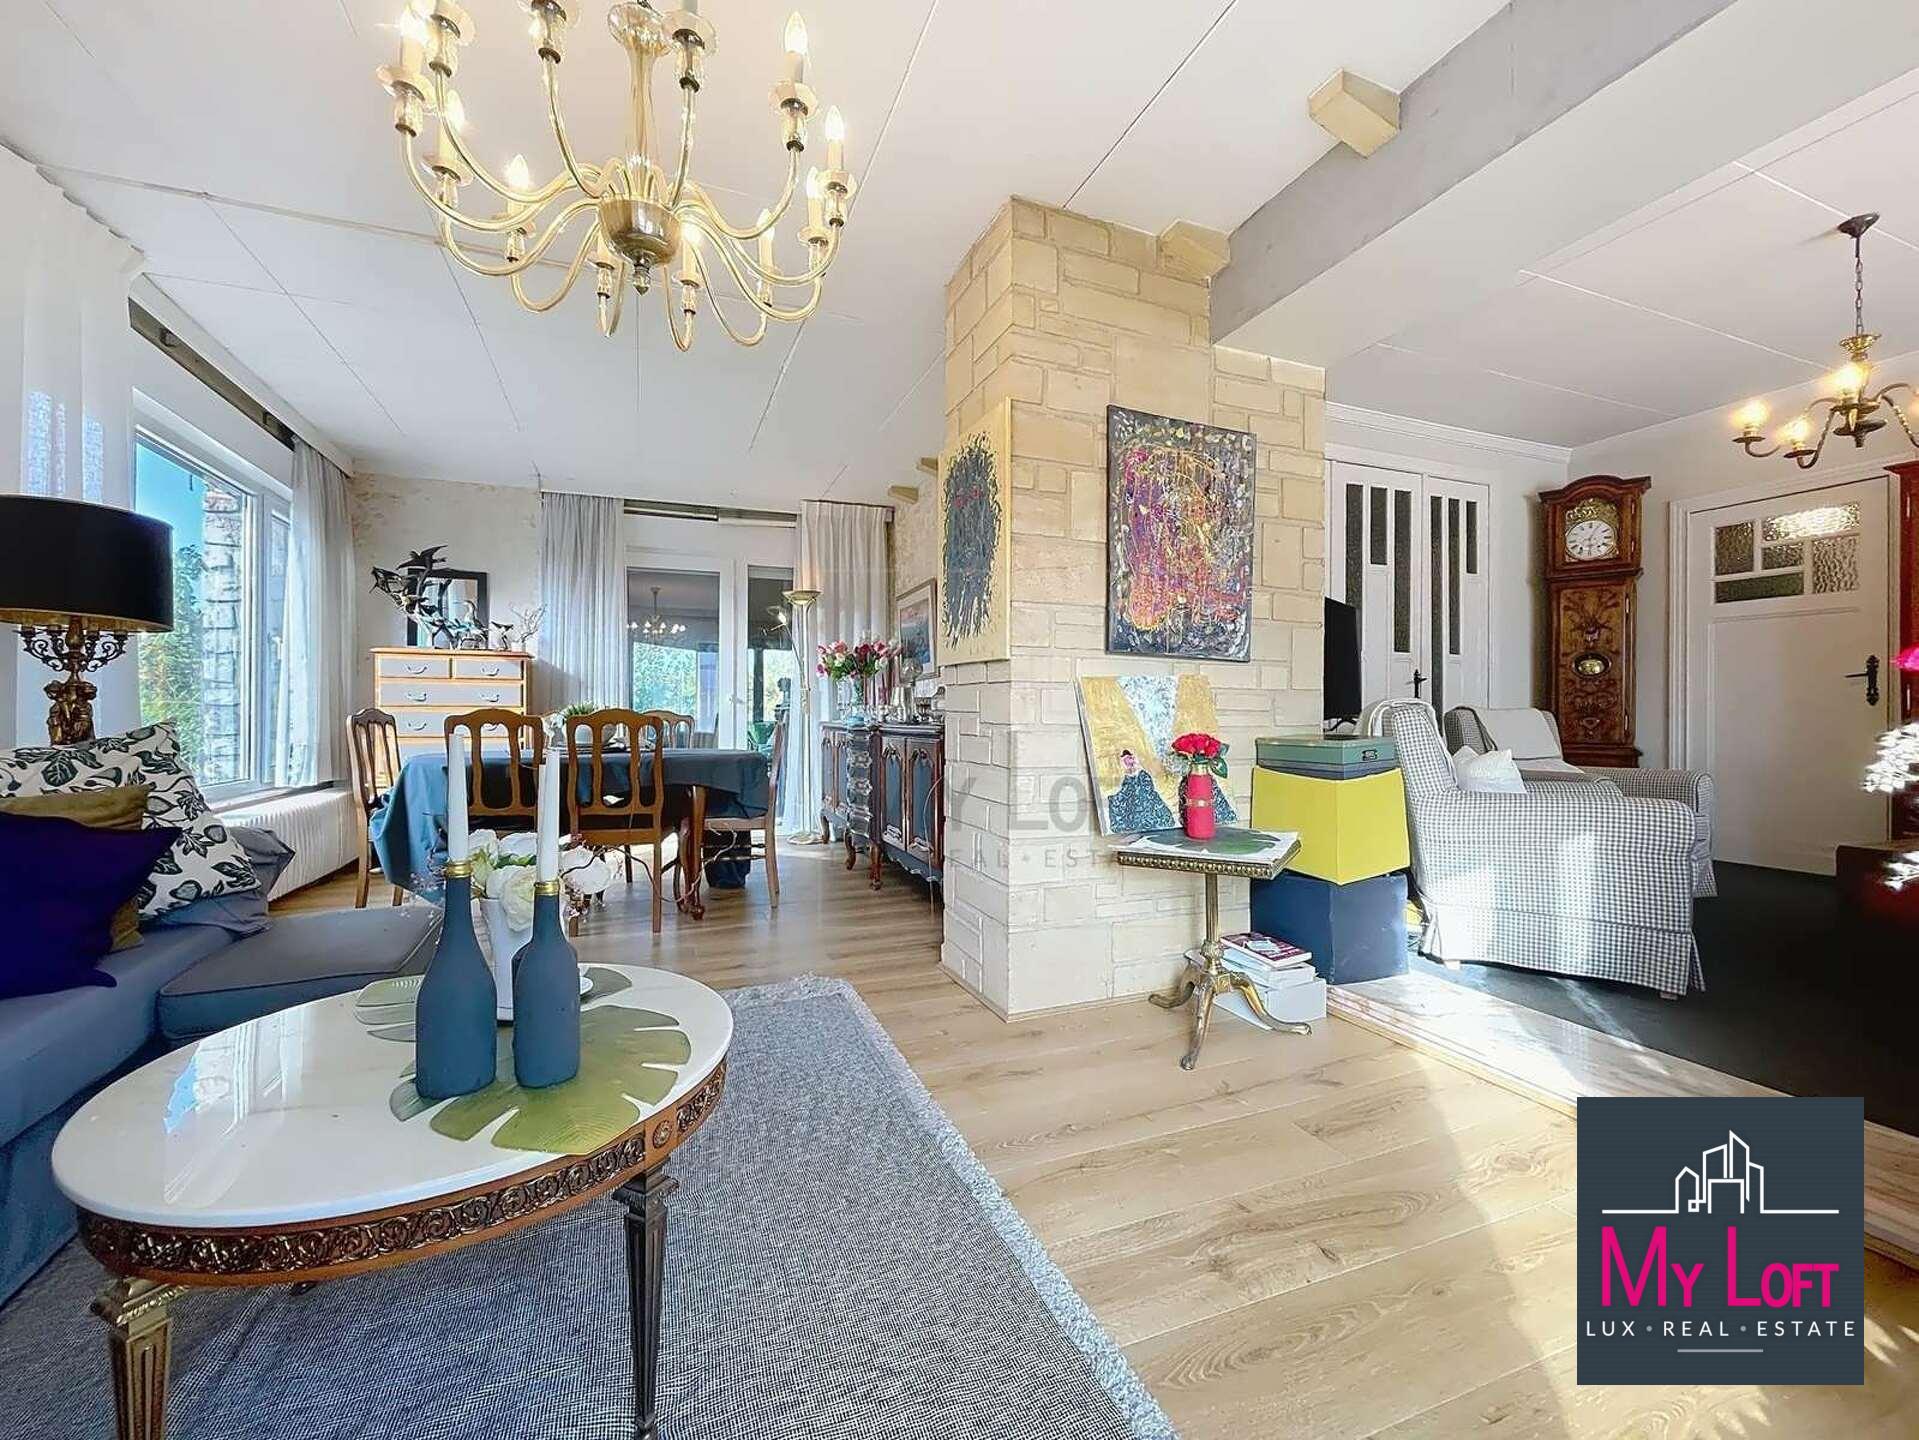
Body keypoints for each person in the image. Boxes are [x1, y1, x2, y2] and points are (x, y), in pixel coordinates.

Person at [1107, 748, 1176, 832]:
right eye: (1125, 759)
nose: (1127, 761)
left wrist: (1136, 772)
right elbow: (1125, 787)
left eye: (1128, 758)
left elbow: (1148, 786)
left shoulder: (1142, 773)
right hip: (1132, 792)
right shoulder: (1127, 775)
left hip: (1143, 793)